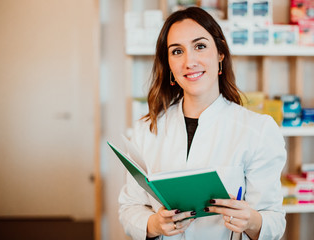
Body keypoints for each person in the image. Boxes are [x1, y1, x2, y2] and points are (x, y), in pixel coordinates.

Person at [118, 7, 286, 240]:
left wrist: (252, 220)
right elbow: (129, 208)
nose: (190, 61)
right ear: (169, 65)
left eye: (200, 46)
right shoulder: (147, 129)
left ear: (220, 54)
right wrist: (155, 224)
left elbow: (275, 221)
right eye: (177, 51)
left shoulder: (258, 130)